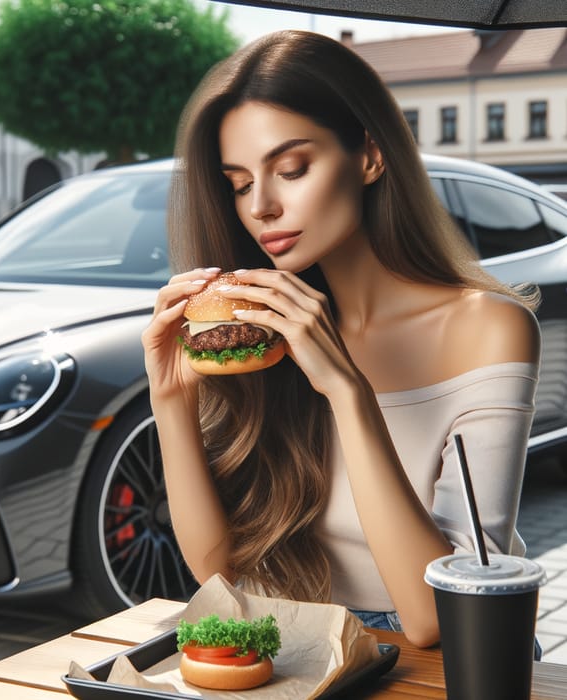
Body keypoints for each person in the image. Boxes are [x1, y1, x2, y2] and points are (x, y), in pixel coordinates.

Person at [141, 30, 540, 648]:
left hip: (443, 660)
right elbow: (218, 571)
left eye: (292, 168)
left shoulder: (487, 328)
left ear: (370, 157)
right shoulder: (263, 333)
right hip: (294, 638)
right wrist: (170, 400)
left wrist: (348, 392)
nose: (262, 207)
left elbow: (437, 617)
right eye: (240, 183)